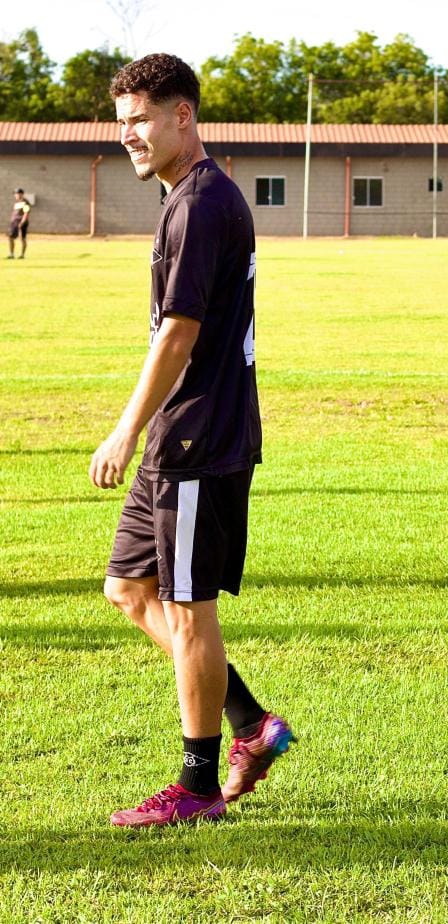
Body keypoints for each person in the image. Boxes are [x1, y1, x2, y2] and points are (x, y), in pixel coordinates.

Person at [92, 53, 293, 827]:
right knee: (130, 589)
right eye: (122, 124)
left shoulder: (203, 204)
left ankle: (198, 783)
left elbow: (179, 332)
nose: (130, 137)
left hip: (196, 438)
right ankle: (251, 723)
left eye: (142, 119)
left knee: (186, 608)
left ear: (184, 115)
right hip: (180, 439)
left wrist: (124, 429)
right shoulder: (184, 200)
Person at [8, 188, 30, 259]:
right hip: (14, 223)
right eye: (16, 194)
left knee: (22, 238)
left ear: (22, 194)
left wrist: (22, 222)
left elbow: (26, 213)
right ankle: (11, 255)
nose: (16, 195)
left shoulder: (25, 202)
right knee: (10, 237)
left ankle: (22, 255)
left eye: (18, 194)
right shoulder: (16, 203)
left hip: (21, 222)